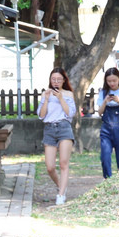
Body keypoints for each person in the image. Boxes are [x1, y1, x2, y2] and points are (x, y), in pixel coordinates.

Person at [38, 67, 76, 205]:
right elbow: (41, 116)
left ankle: (60, 195)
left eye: (59, 79)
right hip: (49, 129)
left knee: (63, 163)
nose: (56, 82)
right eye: (53, 79)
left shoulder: (68, 94)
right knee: (50, 167)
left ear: (64, 80)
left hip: (64, 128)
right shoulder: (45, 94)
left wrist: (61, 99)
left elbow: (70, 113)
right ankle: (61, 186)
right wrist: (47, 99)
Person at [96, 67, 119, 177]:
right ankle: (108, 180)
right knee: (105, 157)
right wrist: (105, 102)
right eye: (109, 81)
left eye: (114, 81)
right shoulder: (103, 93)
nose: (111, 83)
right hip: (106, 129)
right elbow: (100, 112)